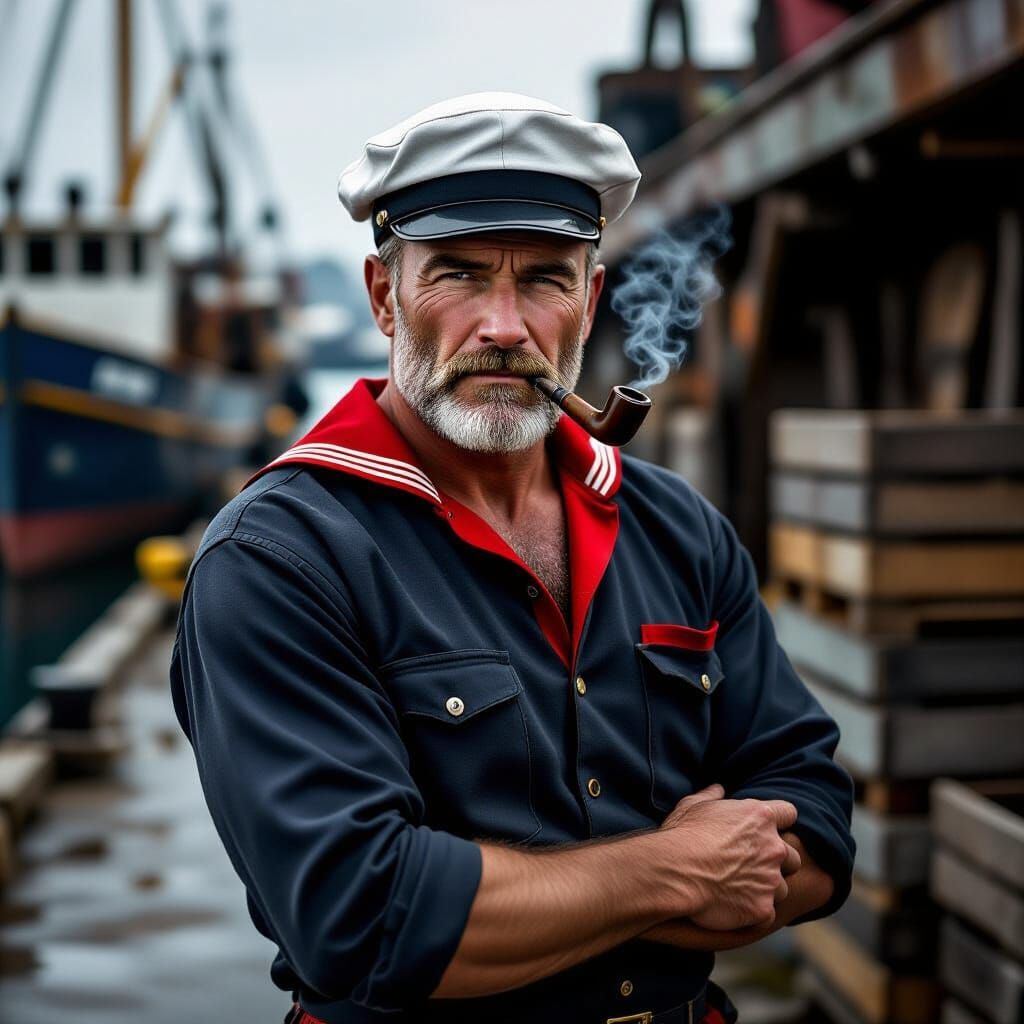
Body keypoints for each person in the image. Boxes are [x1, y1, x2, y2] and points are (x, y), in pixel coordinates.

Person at [170, 92, 855, 1024]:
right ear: (383, 296)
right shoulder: (278, 560)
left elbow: (816, 812)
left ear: (591, 301)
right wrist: (678, 869)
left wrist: (538, 902)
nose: (503, 326)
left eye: (543, 278)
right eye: (455, 275)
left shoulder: (678, 528)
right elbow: (365, 918)